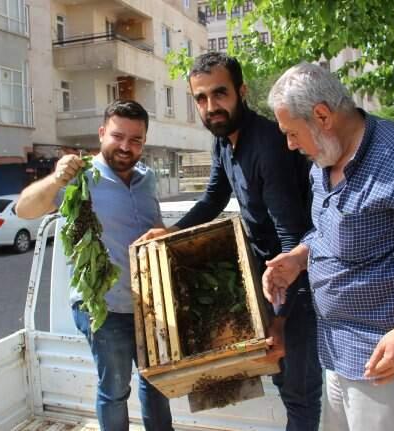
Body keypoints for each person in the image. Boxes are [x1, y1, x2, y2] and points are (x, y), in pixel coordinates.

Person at [263, 62, 394, 431]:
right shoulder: (323, 160)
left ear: (322, 116)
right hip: (336, 348)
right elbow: (328, 231)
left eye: (292, 133)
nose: (290, 144)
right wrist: (299, 257)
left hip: (387, 357)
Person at [138, 52, 322, 431]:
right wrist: (172, 233)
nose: (211, 107)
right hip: (267, 278)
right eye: (201, 99)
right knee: (282, 378)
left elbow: (291, 237)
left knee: (300, 393)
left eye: (220, 94)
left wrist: (281, 322)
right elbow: (213, 197)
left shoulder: (269, 144)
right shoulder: (224, 142)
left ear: (241, 91)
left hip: (298, 281)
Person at [15, 100, 173, 431]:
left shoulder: (147, 179)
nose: (126, 147)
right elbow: (24, 210)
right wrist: (56, 180)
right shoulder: (80, 178)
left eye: (136, 140)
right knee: (115, 390)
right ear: (102, 133)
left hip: (150, 305)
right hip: (104, 308)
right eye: (118, 136)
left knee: (159, 384)